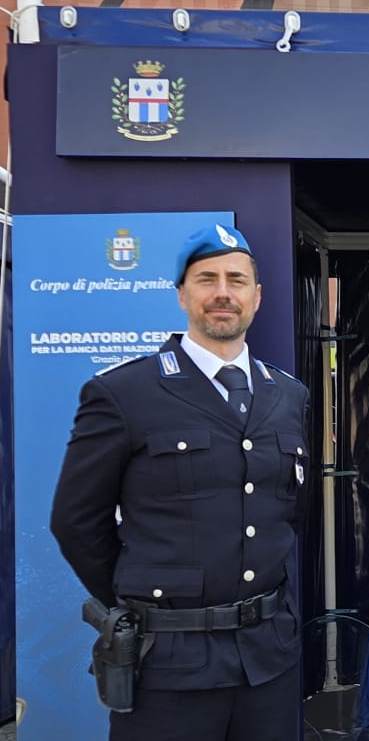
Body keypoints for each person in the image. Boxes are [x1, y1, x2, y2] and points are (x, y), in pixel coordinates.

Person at [51, 224, 309, 740]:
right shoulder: (124, 392)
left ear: (256, 298)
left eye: (237, 280)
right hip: (169, 666)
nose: (222, 293)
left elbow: (286, 513)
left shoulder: (289, 396)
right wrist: (143, 602)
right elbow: (76, 521)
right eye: (206, 279)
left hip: (267, 662)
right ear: (181, 294)